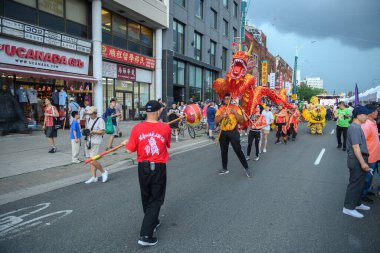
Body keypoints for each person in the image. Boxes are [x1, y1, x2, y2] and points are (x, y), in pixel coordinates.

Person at [120, 100, 171, 246]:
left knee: (146, 196)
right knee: (156, 199)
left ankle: (153, 221)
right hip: (158, 167)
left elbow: (129, 150)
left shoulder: (137, 128)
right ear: (158, 112)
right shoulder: (165, 128)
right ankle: (146, 235)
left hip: (142, 167)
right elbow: (167, 144)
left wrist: (126, 142)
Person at [342, 106, 371, 218]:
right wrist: (363, 163)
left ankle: (357, 203)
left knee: (360, 183)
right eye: (365, 115)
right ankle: (348, 207)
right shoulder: (355, 128)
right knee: (355, 183)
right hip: (356, 159)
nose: (367, 117)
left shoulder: (357, 126)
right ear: (358, 115)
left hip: (359, 158)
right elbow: (355, 147)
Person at [214, 93, 252, 178]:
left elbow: (241, 120)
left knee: (238, 150)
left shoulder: (236, 107)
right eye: (225, 99)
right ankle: (224, 168)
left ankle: (246, 168)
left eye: (228, 98)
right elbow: (216, 121)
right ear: (223, 100)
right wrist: (221, 117)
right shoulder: (221, 108)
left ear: (231, 99)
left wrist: (235, 112)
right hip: (223, 132)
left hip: (233, 132)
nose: (226, 100)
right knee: (223, 151)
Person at [360, 104, 380, 203]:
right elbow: (361, 142)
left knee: (370, 176)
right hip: (370, 156)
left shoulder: (373, 122)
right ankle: (362, 194)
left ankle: (366, 190)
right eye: (376, 111)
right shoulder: (366, 125)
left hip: (375, 155)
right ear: (370, 112)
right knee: (367, 177)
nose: (377, 112)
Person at [84, 106, 108, 184]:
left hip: (96, 141)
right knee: (89, 159)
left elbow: (103, 132)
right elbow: (87, 128)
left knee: (92, 160)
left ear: (95, 113)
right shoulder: (88, 119)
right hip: (88, 141)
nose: (90, 115)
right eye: (89, 114)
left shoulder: (100, 120)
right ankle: (94, 177)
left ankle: (103, 171)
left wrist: (93, 132)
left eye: (91, 114)